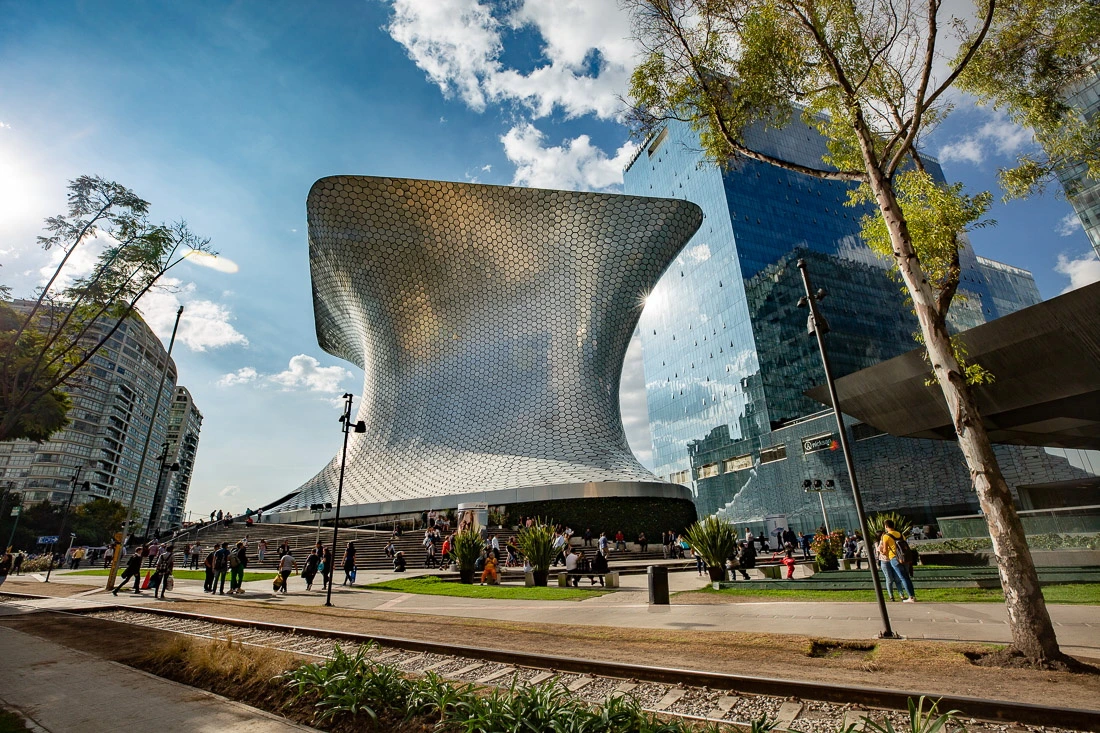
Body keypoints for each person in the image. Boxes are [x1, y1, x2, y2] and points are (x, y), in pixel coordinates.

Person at [878, 520, 916, 602]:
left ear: (886, 526)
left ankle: (911, 598)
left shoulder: (886, 536)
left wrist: (881, 550)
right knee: (906, 577)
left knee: (902, 577)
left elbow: (885, 551)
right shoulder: (900, 534)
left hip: (894, 558)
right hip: (903, 557)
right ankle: (912, 595)